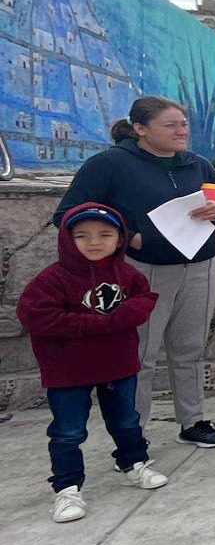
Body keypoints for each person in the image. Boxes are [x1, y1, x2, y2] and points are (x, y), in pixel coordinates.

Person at [52, 96, 215, 448]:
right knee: (141, 354)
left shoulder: (197, 165)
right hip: (144, 270)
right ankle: (132, 429)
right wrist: (126, 237)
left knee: (190, 349)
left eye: (183, 123)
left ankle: (193, 420)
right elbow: (67, 215)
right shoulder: (110, 165)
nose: (181, 131)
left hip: (199, 265)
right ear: (140, 129)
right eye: (171, 125)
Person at [20, 204, 166, 523]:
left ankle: (133, 463)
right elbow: (36, 315)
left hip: (117, 365)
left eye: (105, 234)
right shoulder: (52, 279)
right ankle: (67, 488)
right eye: (82, 235)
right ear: (67, 239)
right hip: (68, 371)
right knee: (68, 431)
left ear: (119, 239)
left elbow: (144, 301)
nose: (94, 242)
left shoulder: (128, 275)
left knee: (127, 420)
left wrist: (121, 317)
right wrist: (97, 325)